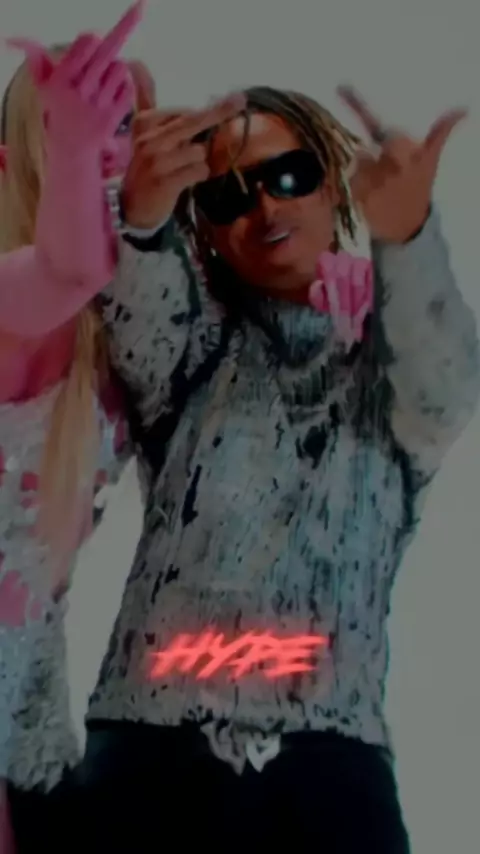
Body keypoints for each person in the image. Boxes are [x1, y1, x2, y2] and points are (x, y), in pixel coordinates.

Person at [77, 80, 480, 852]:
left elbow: (446, 385)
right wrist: (144, 219)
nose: (265, 208)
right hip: (149, 755)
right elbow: (144, 320)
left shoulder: (388, 373)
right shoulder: (193, 352)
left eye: (289, 175)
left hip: (330, 763)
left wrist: (409, 237)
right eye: (227, 196)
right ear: (205, 227)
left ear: (332, 183)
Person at [0, 5, 142, 851]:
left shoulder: (124, 335)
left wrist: (342, 285)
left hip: (32, 716)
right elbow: (65, 267)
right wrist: (79, 152)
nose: (111, 149)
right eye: (72, 128)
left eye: (124, 125)